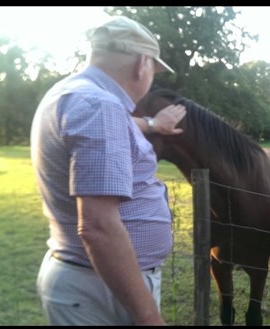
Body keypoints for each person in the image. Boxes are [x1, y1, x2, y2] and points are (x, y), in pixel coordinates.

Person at [30, 15, 186, 325]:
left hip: (92, 281)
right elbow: (98, 227)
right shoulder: (100, 107)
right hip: (102, 288)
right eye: (154, 70)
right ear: (142, 64)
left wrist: (153, 124)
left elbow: (120, 127)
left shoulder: (72, 93)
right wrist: (148, 317)